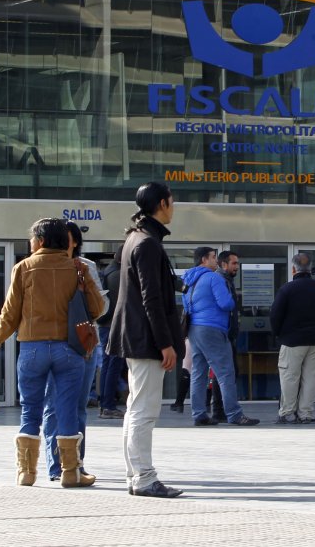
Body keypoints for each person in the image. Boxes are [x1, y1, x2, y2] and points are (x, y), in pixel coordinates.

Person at [0, 218, 104, 486]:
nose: (30, 243)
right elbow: (98, 307)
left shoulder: (23, 268)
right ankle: (70, 472)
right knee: (67, 410)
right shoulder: (77, 268)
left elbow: (10, 314)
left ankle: (26, 472)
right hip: (69, 349)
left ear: (41, 240)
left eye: (32, 238)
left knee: (30, 409)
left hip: (32, 349)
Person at [108, 182, 186, 497]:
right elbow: (151, 298)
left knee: (136, 407)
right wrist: (165, 343)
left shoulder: (135, 238)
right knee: (144, 409)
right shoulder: (147, 243)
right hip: (146, 338)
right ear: (163, 204)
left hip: (135, 335)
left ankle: (135, 474)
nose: (174, 207)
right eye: (172, 201)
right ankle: (143, 477)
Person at [41, 221, 109, 482]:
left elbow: (101, 308)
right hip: (52, 343)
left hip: (83, 343)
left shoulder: (86, 267)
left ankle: (75, 464)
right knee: (53, 405)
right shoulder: (41, 266)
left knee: (79, 406)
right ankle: (55, 465)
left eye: (68, 239)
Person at [183, 246, 258, 427]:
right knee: (225, 372)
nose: (216, 261)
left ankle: (199, 414)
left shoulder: (189, 278)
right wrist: (234, 299)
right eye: (213, 257)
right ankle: (234, 414)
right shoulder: (213, 277)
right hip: (213, 328)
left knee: (198, 373)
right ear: (204, 259)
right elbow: (226, 303)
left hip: (194, 328)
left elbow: (186, 303)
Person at [271, 253, 315, 424]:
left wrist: (278, 333)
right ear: (310, 269)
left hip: (291, 340)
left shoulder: (287, 289)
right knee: (310, 378)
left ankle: (288, 412)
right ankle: (306, 414)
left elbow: (275, 315)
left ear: (294, 269)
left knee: (290, 376)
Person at [210, 250, 242, 421]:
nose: (237, 266)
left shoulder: (227, 281)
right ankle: (220, 410)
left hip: (228, 333)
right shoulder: (220, 281)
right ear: (224, 264)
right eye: (234, 263)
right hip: (222, 332)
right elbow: (224, 305)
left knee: (227, 372)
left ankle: (219, 409)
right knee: (224, 372)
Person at [98, 252, 127, 420]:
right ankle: (108, 405)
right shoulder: (119, 275)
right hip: (114, 326)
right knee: (113, 366)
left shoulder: (108, 272)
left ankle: (105, 404)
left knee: (108, 365)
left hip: (105, 325)